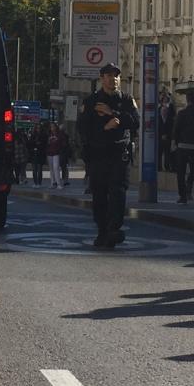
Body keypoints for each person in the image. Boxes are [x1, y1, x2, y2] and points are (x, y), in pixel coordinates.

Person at [78, 63, 140, 248]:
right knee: (100, 194)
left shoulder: (126, 100)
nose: (113, 79)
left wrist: (113, 114)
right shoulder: (91, 101)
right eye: (109, 75)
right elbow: (82, 128)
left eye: (116, 75)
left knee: (118, 192)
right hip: (98, 154)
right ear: (101, 78)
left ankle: (114, 228)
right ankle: (102, 230)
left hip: (119, 153)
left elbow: (135, 122)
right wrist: (104, 128)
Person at [45, 121, 68, 189]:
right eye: (51, 127)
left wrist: (60, 145)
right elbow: (46, 143)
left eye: (53, 126)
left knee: (56, 168)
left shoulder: (59, 134)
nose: (52, 128)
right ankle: (53, 183)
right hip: (49, 153)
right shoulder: (48, 134)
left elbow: (63, 142)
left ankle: (58, 184)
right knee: (51, 169)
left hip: (56, 152)